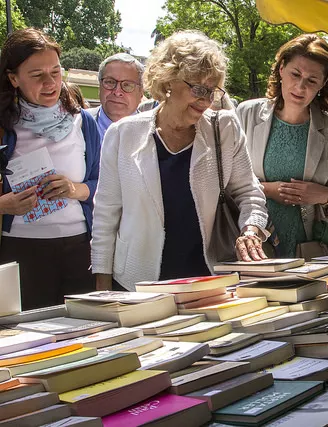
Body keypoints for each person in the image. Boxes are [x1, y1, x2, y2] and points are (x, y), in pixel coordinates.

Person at [91, 31, 269, 291]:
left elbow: (249, 193)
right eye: (198, 89)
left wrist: (252, 229)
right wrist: (102, 285)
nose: (206, 100)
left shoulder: (225, 128)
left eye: (212, 91)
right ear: (168, 81)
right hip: (135, 283)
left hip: (207, 280)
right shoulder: (122, 134)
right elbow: (106, 215)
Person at [0, 28, 101, 309]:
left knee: (84, 337)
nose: (50, 83)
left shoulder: (84, 122)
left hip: (81, 249)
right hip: (20, 252)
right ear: (13, 78)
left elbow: (105, 185)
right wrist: (4, 205)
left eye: (55, 72)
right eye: (37, 75)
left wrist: (75, 189)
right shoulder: (4, 126)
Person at [236, 33, 328, 258]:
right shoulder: (246, 114)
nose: (300, 86)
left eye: (311, 80)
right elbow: (228, 184)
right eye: (295, 74)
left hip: (308, 249)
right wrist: (269, 190)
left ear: (323, 83)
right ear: (281, 70)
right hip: (253, 243)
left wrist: (323, 196)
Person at [88, 53, 145, 138]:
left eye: (127, 85)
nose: (117, 92)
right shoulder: (78, 124)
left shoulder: (155, 134)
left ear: (141, 92)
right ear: (99, 86)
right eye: (110, 82)